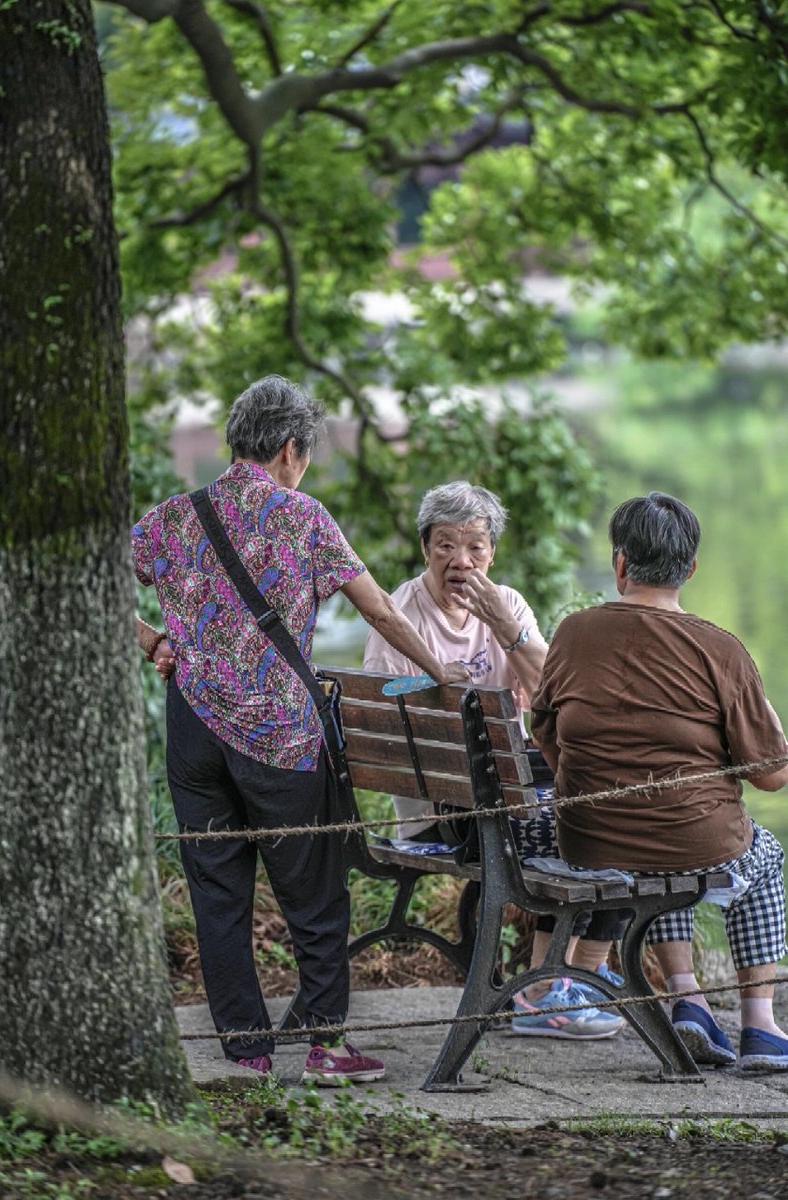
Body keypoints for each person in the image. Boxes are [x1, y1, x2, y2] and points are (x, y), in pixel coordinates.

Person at [132, 375, 469, 1085]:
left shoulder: (171, 518)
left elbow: (87, 579)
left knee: (217, 891)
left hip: (193, 730)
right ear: (290, 449)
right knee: (314, 892)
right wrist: (439, 669)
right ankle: (325, 1047)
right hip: (280, 737)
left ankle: (247, 1050)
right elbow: (379, 610)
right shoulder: (303, 518)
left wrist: (147, 639)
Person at [531, 491, 788, 1071]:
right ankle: (761, 1026)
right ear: (691, 568)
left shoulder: (573, 633)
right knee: (761, 858)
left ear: (620, 563)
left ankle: (689, 999)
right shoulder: (720, 649)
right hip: (690, 840)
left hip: (591, 840)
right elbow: (771, 775)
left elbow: (545, 732)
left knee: (665, 857)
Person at [363, 480, 627, 1039]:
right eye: (445, 546)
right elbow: (392, 725)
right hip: (442, 809)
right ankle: (544, 988)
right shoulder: (399, 614)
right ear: (424, 547)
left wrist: (508, 631)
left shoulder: (506, 605)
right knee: (580, 823)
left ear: (492, 551)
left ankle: (563, 977)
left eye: (475, 547)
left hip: (508, 793)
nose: (461, 561)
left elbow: (552, 696)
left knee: (614, 808)